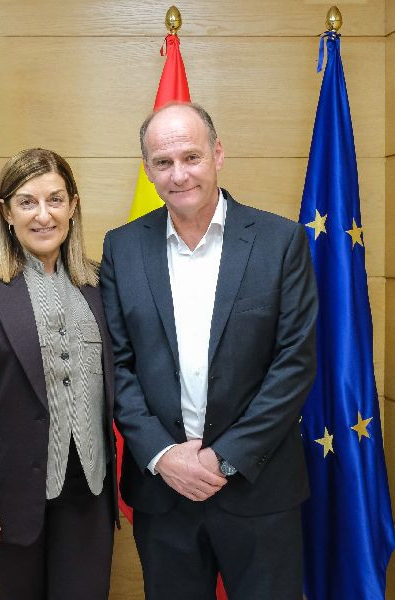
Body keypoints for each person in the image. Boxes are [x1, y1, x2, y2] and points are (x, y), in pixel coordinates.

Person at [100, 102, 318, 599]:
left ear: (217, 154)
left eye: (191, 157)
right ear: (147, 170)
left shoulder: (280, 241)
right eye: (163, 162)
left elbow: (295, 363)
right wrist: (162, 455)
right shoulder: (122, 247)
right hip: (164, 492)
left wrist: (226, 457)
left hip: (260, 488)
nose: (178, 175)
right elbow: (117, 365)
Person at [0, 148, 118, 600]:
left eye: (55, 200)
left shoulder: (99, 284)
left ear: (73, 207)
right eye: (27, 202)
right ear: (6, 212)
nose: (43, 215)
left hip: (89, 492)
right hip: (9, 494)